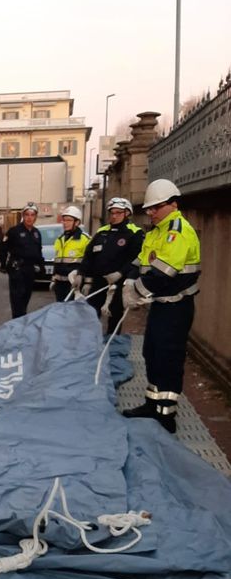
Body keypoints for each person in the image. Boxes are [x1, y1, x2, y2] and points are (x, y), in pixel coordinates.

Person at [122, 179, 200, 434]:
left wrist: (136, 292)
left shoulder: (177, 231)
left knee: (168, 358)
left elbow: (163, 273)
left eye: (156, 207)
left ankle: (166, 416)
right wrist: (128, 281)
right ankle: (152, 405)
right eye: (149, 208)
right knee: (151, 354)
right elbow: (140, 262)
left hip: (176, 308)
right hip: (160, 307)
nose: (151, 212)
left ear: (173, 204)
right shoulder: (155, 232)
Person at [78, 197, 144, 334]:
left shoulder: (135, 233)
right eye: (112, 213)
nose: (114, 216)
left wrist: (120, 273)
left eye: (118, 213)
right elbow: (89, 256)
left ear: (127, 213)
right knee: (91, 316)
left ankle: (111, 347)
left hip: (118, 285)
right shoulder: (102, 231)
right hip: (98, 282)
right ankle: (91, 346)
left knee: (114, 318)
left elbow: (137, 258)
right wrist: (83, 277)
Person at [0, 203, 45, 318]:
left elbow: (38, 252)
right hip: (17, 270)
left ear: (35, 217)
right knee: (17, 301)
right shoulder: (14, 231)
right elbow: (3, 248)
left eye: (32, 215)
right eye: (27, 215)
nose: (29, 217)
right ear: (23, 216)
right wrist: (3, 264)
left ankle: (21, 322)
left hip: (30, 270)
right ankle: (17, 326)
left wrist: (41, 266)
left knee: (25, 298)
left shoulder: (36, 233)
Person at [51, 205, 90, 302]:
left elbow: (90, 262)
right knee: (61, 313)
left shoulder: (85, 239)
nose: (64, 223)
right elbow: (57, 261)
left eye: (68, 220)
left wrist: (88, 282)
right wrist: (53, 279)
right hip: (59, 284)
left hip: (74, 284)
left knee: (73, 314)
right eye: (63, 220)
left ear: (77, 222)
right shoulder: (60, 239)